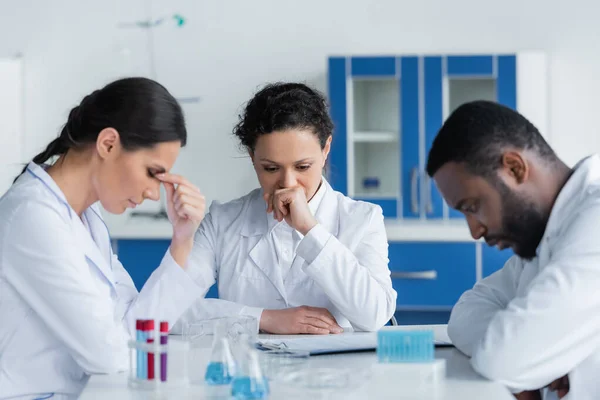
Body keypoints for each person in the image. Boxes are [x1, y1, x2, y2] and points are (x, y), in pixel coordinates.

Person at [0, 77, 206, 399]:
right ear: (108, 143)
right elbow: (110, 356)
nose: (155, 193)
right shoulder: (33, 216)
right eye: (153, 172)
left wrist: (182, 241)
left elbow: (135, 331)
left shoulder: (86, 219)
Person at [176, 82, 397, 335]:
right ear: (252, 157)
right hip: (249, 370)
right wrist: (264, 318)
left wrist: (311, 230)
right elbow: (168, 310)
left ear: (325, 149)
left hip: (336, 371)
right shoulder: (223, 221)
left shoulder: (362, 219)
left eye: (302, 167)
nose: (288, 183)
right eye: (271, 168)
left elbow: (375, 316)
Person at [426, 100, 600, 399]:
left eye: (473, 207)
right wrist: (539, 361)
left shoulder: (594, 221)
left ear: (515, 168)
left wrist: (525, 356)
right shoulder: (543, 238)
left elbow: (502, 359)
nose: (475, 230)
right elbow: (466, 314)